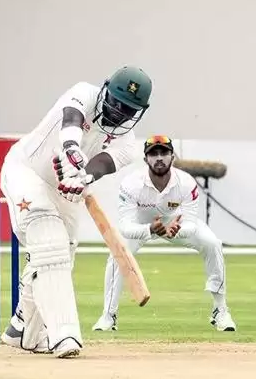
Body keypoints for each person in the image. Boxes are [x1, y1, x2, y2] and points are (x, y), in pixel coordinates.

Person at [0, 66, 153, 358]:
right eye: (116, 102)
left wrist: (82, 178)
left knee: (61, 255)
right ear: (105, 90)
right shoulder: (84, 92)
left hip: (65, 190)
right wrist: (71, 148)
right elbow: (71, 119)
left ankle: (22, 329)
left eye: (128, 109)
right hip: (26, 171)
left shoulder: (128, 146)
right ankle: (64, 335)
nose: (119, 112)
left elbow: (100, 165)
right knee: (48, 241)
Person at [92, 135, 236, 332]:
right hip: (142, 225)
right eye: (153, 154)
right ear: (145, 159)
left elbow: (191, 223)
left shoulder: (186, 183)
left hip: (175, 223)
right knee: (118, 255)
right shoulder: (131, 184)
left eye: (164, 153)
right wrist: (149, 229)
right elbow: (125, 226)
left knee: (212, 243)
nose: (159, 158)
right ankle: (108, 316)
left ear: (172, 157)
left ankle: (221, 310)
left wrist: (176, 230)